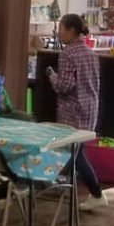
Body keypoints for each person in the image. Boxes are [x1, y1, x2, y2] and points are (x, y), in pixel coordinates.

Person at [47, 14, 107, 211]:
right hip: (90, 107)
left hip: (72, 110)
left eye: (61, 29)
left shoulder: (67, 54)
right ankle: (71, 185)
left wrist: (52, 76)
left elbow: (64, 86)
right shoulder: (91, 53)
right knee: (77, 150)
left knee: (74, 151)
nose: (59, 33)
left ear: (71, 31)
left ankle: (95, 192)